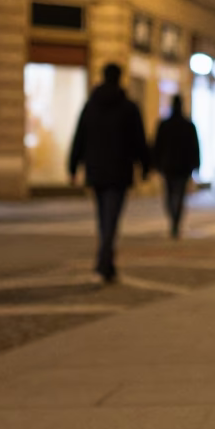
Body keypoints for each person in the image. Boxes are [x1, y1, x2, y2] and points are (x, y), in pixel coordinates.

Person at [68, 63, 151, 283]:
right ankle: (103, 264)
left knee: (104, 218)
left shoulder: (91, 106)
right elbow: (139, 141)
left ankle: (108, 264)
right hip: (119, 171)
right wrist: (144, 167)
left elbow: (79, 137)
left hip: (96, 170)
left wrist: (73, 167)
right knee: (111, 219)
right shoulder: (129, 107)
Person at [153, 94, 200, 238]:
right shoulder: (188, 125)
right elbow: (195, 147)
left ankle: (174, 219)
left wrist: (156, 163)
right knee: (179, 195)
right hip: (182, 167)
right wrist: (196, 164)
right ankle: (175, 220)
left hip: (169, 166)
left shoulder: (165, 125)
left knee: (170, 194)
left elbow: (157, 146)